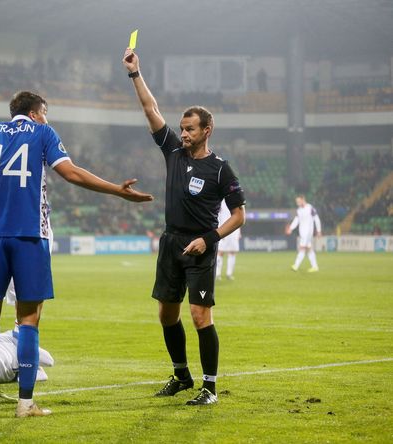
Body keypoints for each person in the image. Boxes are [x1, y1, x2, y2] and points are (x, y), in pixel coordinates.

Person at [0, 91, 152, 418]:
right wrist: (117, 190)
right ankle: (25, 403)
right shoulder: (42, 133)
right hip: (29, 237)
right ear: (35, 113)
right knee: (29, 319)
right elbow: (72, 172)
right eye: (45, 113)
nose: (47, 119)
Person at [123, 48, 246, 406]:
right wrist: (135, 73)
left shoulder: (221, 169)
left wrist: (209, 240)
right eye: (182, 128)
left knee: (199, 314)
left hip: (201, 246)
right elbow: (151, 109)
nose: (184, 133)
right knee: (166, 313)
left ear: (207, 130)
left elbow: (238, 215)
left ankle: (209, 387)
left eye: (190, 129)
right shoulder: (173, 152)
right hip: (171, 242)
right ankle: (181, 375)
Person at [286, 194, 321, 272]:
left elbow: (316, 219)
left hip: (307, 232)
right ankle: (315, 266)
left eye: (298, 201)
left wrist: (318, 230)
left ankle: (296, 265)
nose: (297, 203)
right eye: (296, 202)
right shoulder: (299, 210)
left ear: (303, 199)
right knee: (309, 249)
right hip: (303, 232)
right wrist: (291, 228)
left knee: (302, 248)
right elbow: (296, 220)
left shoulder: (310, 208)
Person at [216, 200, 241, 280]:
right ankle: (217, 273)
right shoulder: (220, 201)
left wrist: (239, 231)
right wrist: (218, 229)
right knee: (220, 251)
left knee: (232, 251)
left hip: (235, 230)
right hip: (223, 228)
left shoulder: (236, 199)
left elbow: (240, 216)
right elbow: (217, 216)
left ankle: (229, 274)